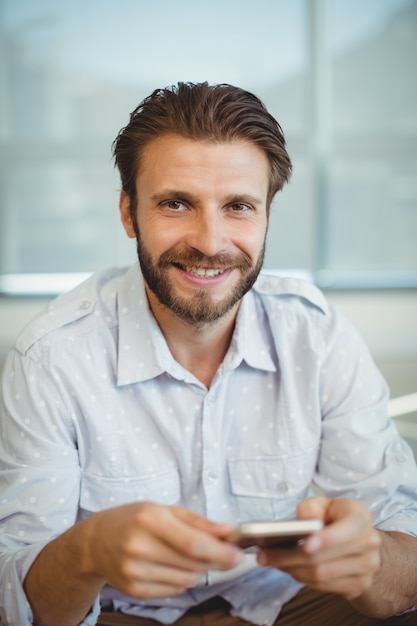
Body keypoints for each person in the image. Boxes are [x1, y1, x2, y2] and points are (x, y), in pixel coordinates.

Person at [0, 82, 416, 626]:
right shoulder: (51, 357)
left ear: (267, 215)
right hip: (119, 611)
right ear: (129, 213)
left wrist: (370, 560)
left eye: (239, 206)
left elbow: (404, 562)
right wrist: (88, 550)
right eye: (176, 203)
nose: (210, 241)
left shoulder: (316, 336)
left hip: (286, 602)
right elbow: (19, 605)